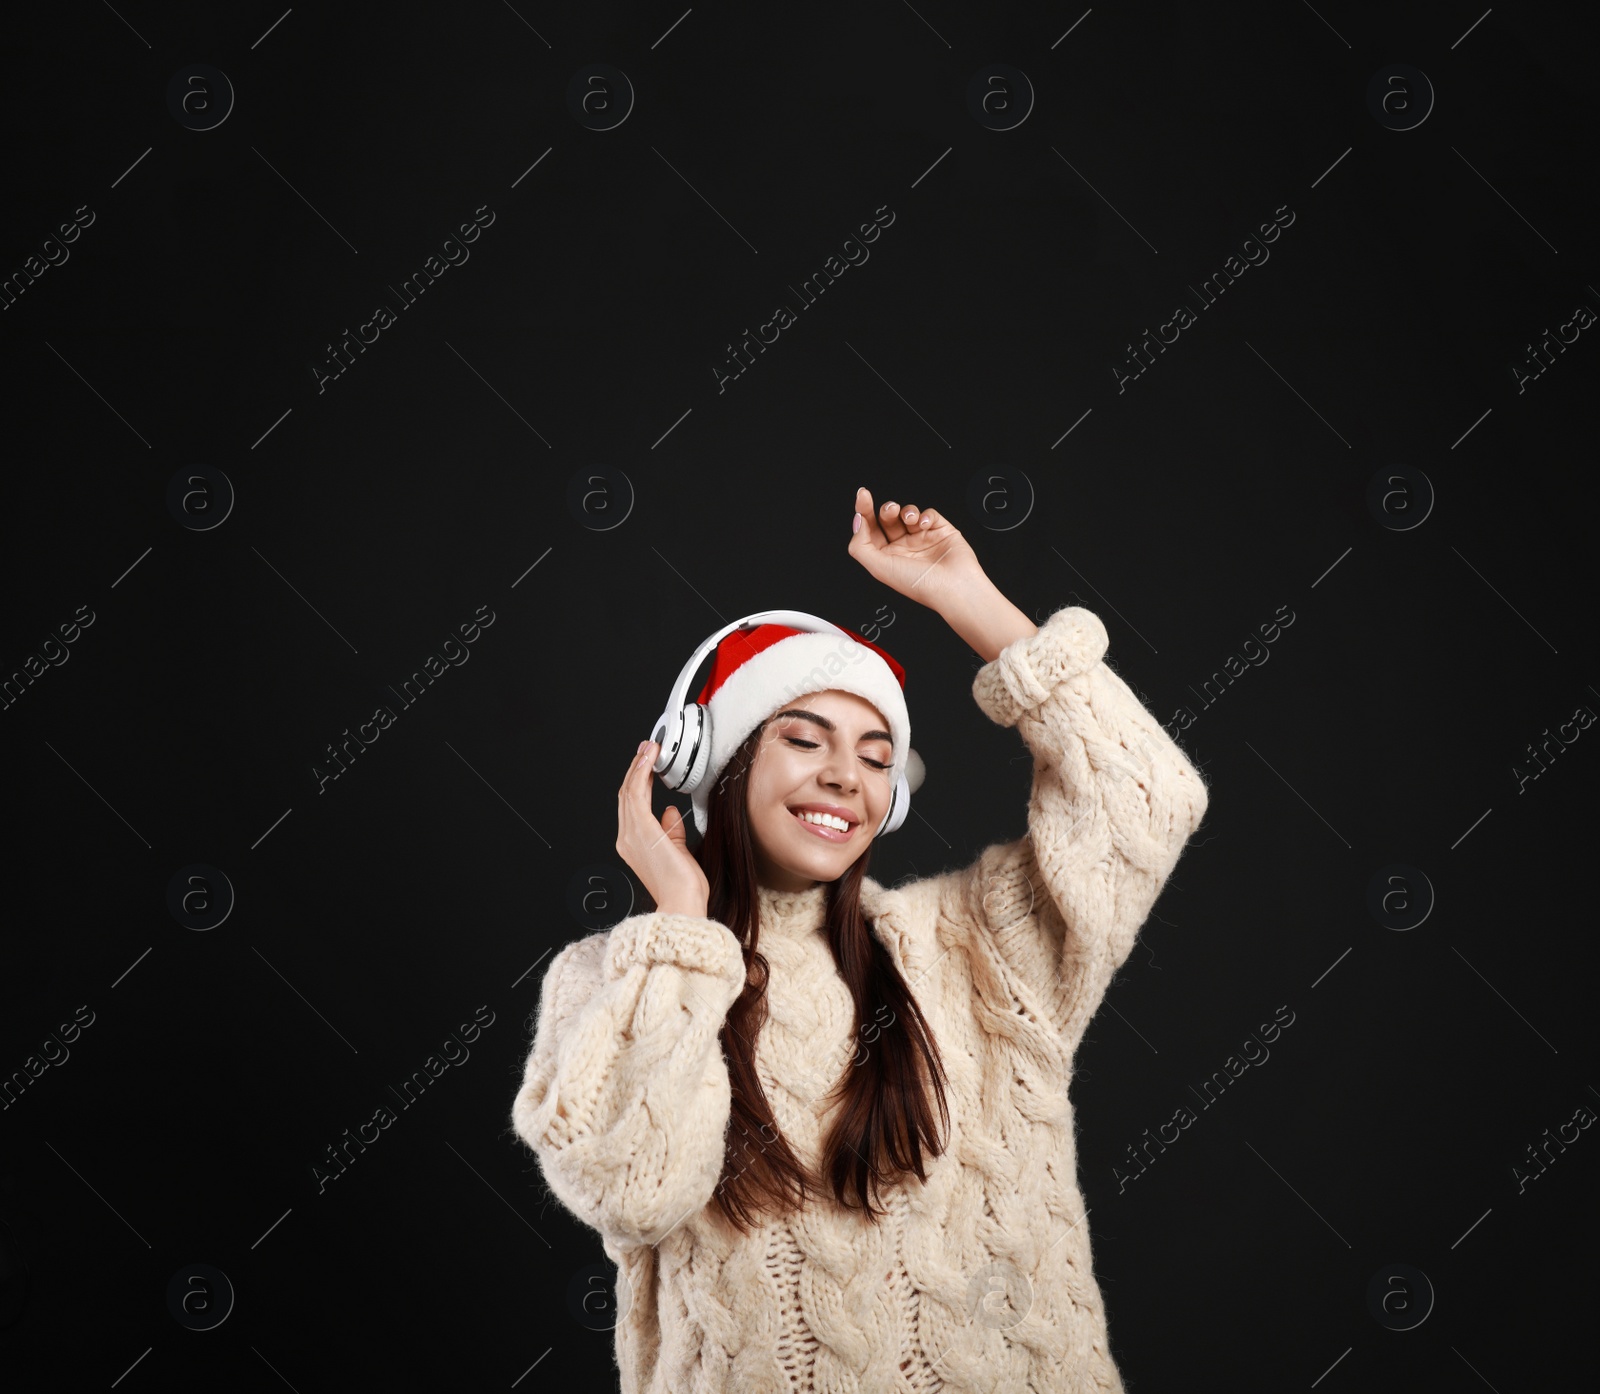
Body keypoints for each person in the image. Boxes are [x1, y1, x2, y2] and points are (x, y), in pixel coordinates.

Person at [509, 487, 1210, 1392]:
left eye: (879, 758)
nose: (846, 776)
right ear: (714, 768)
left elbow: (1147, 800)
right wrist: (683, 926)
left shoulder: (971, 945)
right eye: (805, 740)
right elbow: (634, 1188)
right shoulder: (616, 979)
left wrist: (968, 598)